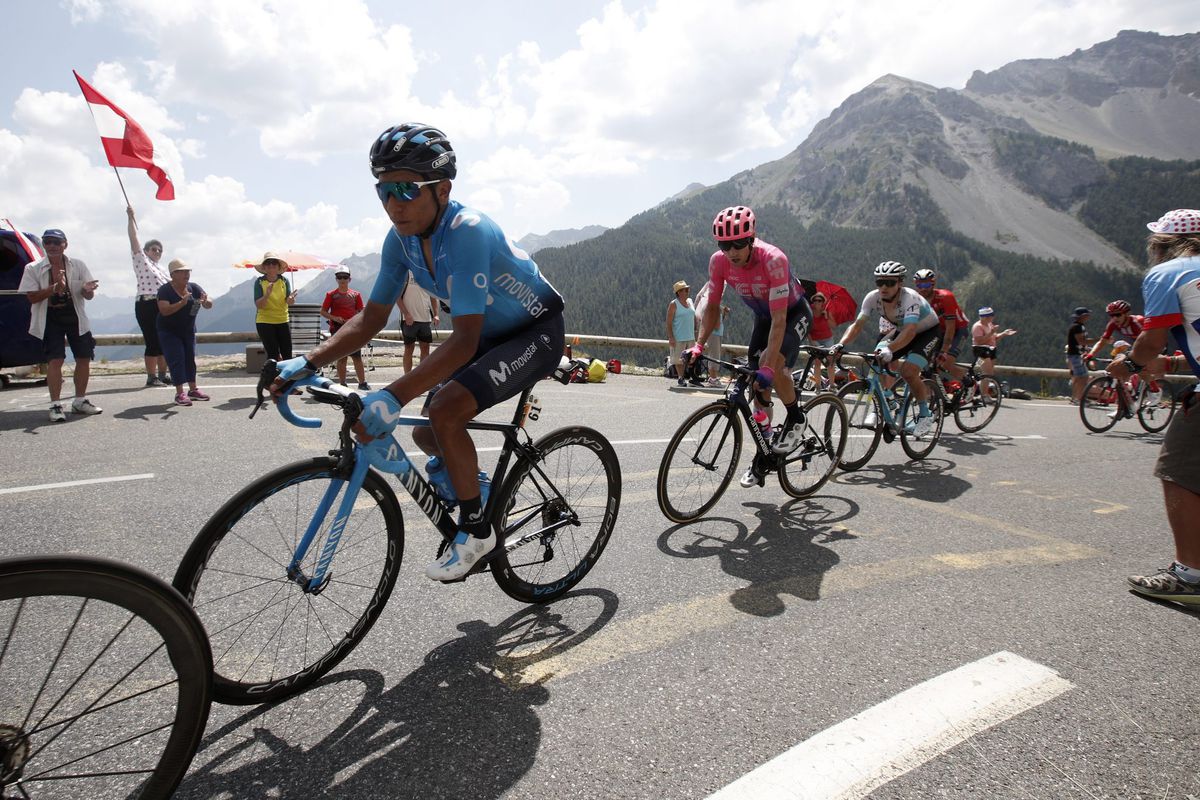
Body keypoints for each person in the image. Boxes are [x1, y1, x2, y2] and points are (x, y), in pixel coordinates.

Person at [270, 122, 565, 582]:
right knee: (430, 434)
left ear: (443, 190)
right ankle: (480, 491)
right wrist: (308, 361)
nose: (394, 204)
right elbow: (370, 320)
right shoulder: (400, 241)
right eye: (383, 191)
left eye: (407, 189)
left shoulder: (467, 231)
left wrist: (392, 396)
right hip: (489, 335)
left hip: (534, 332)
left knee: (445, 412)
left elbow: (463, 340)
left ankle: (477, 529)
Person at [688, 205, 814, 488]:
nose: (731, 251)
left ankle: (796, 417)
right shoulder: (718, 262)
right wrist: (698, 346)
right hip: (763, 317)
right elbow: (712, 307)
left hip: (792, 314)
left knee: (777, 371)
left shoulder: (773, 260)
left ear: (752, 238)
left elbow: (780, 321)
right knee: (757, 387)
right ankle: (765, 451)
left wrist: (769, 367)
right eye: (724, 244)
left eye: (738, 243)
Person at [1111, 209, 1200, 605]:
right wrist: (1179, 366)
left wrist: (1129, 364)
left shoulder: (1170, 272)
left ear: (1161, 243)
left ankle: (1190, 575)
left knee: (1178, 468)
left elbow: (1151, 341)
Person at [830, 261, 940, 437]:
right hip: (903, 330)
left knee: (909, 371)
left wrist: (891, 348)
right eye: (880, 282)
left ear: (900, 283)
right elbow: (857, 325)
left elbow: (911, 331)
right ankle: (888, 398)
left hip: (927, 332)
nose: (884, 287)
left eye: (889, 282)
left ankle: (925, 414)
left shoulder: (910, 297)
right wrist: (841, 344)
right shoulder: (873, 297)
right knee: (877, 356)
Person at [18, 228, 102, 421]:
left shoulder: (78, 265)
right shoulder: (33, 268)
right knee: (55, 360)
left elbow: (88, 295)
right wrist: (54, 288)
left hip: (75, 315)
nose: (52, 246)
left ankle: (80, 401)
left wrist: (88, 290)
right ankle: (56, 404)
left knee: (83, 357)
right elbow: (31, 297)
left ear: (65, 244)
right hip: (50, 316)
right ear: (43, 244)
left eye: (57, 242)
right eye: (48, 242)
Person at [156, 259, 212, 406]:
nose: (186, 274)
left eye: (188, 271)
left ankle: (193, 390)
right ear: (173, 274)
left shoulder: (193, 287)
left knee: (189, 358)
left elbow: (209, 303)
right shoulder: (165, 290)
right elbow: (164, 310)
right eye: (182, 271)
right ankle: (179, 393)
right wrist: (182, 302)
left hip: (188, 330)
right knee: (177, 359)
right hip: (169, 331)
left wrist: (206, 301)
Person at [126, 205, 171, 386]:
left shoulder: (162, 269)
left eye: (160, 250)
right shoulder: (141, 260)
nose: (157, 252)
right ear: (145, 251)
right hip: (146, 303)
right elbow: (133, 238)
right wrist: (131, 219)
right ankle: (151, 376)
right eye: (153, 249)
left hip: (161, 304)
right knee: (152, 339)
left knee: (163, 339)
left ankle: (162, 374)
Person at [912, 268, 968, 382]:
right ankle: (931, 395)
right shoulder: (915, 300)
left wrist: (944, 350)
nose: (923, 288)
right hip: (938, 331)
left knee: (944, 363)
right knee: (929, 365)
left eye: (926, 284)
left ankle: (969, 382)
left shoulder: (945, 297)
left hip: (958, 329)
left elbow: (950, 327)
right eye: (919, 285)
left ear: (933, 284)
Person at [320, 266, 369, 389]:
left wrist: (357, 318)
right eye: (339, 277)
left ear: (349, 279)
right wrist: (335, 318)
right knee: (341, 357)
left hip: (353, 328)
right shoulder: (330, 295)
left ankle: (362, 383)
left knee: (357, 357)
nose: (342, 279)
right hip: (337, 328)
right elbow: (323, 311)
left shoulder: (356, 295)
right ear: (336, 279)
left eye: (345, 277)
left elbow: (361, 310)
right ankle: (342, 384)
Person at [253, 251, 297, 361]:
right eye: (268, 263)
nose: (271, 265)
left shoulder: (284, 281)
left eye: (274, 263)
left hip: (283, 320)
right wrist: (267, 295)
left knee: (287, 354)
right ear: (264, 267)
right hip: (265, 321)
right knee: (273, 355)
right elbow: (259, 305)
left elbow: (289, 301)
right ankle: (272, 377)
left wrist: (291, 300)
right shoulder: (259, 282)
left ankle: (287, 378)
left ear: (278, 267)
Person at [398, 270, 439, 374]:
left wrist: (436, 314)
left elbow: (433, 296)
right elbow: (397, 297)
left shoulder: (428, 274)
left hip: (425, 319)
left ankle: (422, 375)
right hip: (409, 319)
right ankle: (407, 377)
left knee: (425, 349)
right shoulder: (406, 273)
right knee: (409, 349)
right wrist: (406, 314)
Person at [970, 307, 1017, 396]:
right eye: (990, 316)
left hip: (991, 350)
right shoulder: (977, 326)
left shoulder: (990, 324)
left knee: (988, 373)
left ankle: (982, 390)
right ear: (984, 317)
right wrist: (991, 333)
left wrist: (1003, 333)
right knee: (987, 373)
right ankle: (984, 395)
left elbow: (994, 338)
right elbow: (979, 341)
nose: (992, 318)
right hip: (981, 351)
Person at [693, 282, 728, 387]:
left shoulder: (706, 298)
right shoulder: (714, 300)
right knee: (715, 354)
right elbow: (716, 323)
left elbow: (699, 298)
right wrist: (718, 319)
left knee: (713, 353)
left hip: (709, 329)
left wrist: (722, 309)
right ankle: (713, 379)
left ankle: (713, 378)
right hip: (715, 331)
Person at [666, 280, 698, 387]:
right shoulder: (673, 304)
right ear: (679, 292)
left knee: (691, 358)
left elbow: (694, 316)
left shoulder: (690, 301)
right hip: (679, 336)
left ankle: (691, 377)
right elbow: (669, 322)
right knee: (679, 360)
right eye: (685, 290)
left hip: (690, 335)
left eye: (687, 289)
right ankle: (681, 378)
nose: (688, 291)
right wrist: (671, 337)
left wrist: (696, 330)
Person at [1065, 306, 1092, 404]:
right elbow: (1081, 340)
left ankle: (1075, 398)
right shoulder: (1078, 327)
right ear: (1083, 316)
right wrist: (1100, 339)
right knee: (1083, 377)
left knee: (1078, 377)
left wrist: (1085, 348)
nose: (1089, 316)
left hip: (1075, 355)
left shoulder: (1078, 326)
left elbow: (1078, 342)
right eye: (1087, 314)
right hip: (1075, 355)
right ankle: (1080, 398)